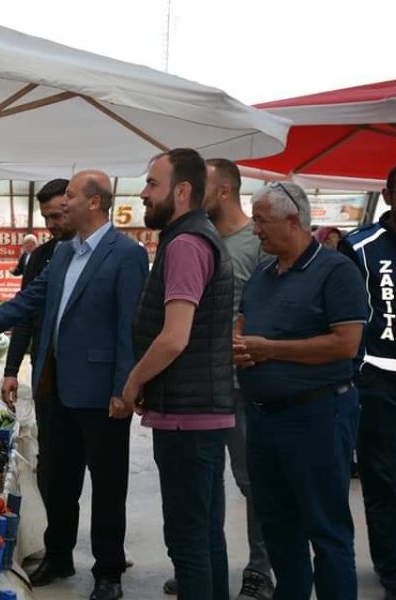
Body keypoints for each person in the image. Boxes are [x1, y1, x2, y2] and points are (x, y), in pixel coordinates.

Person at [0, 170, 149, 600]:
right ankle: (58, 555)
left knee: (109, 484)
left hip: (101, 392)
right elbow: (26, 302)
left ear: (93, 202)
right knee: (59, 479)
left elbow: (128, 329)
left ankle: (108, 571)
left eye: (71, 196)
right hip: (54, 387)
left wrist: (124, 388)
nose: (63, 203)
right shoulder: (60, 254)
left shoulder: (126, 254)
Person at [236, 181, 367, 599]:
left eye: (261, 221)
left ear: (293, 221)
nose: (255, 229)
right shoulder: (262, 272)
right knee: (277, 525)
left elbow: (345, 344)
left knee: (325, 529)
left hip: (317, 417)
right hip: (263, 418)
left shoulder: (335, 270)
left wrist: (270, 349)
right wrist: (238, 347)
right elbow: (243, 327)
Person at [121, 148, 235, 600]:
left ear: (181, 191)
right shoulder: (194, 237)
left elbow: (174, 337)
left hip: (189, 419)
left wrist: (133, 383)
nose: (144, 193)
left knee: (188, 541)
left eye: (152, 184)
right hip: (200, 412)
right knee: (206, 534)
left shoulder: (187, 245)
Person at [160, 159, 274, 599]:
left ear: (223, 191)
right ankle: (201, 567)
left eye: (198, 186)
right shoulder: (194, 239)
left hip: (242, 382)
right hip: (198, 385)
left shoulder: (256, 242)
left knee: (250, 480)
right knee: (204, 482)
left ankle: (259, 570)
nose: (185, 192)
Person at [340, 160, 396, 600]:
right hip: (378, 383)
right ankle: (395, 570)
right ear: (387, 195)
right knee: (383, 481)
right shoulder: (359, 246)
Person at [0, 178, 73, 502]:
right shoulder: (42, 256)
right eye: (46, 218)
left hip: (89, 379)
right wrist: (11, 369)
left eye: (58, 216)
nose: (52, 225)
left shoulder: (112, 255)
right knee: (51, 454)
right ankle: (50, 535)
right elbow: (24, 314)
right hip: (46, 372)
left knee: (89, 463)